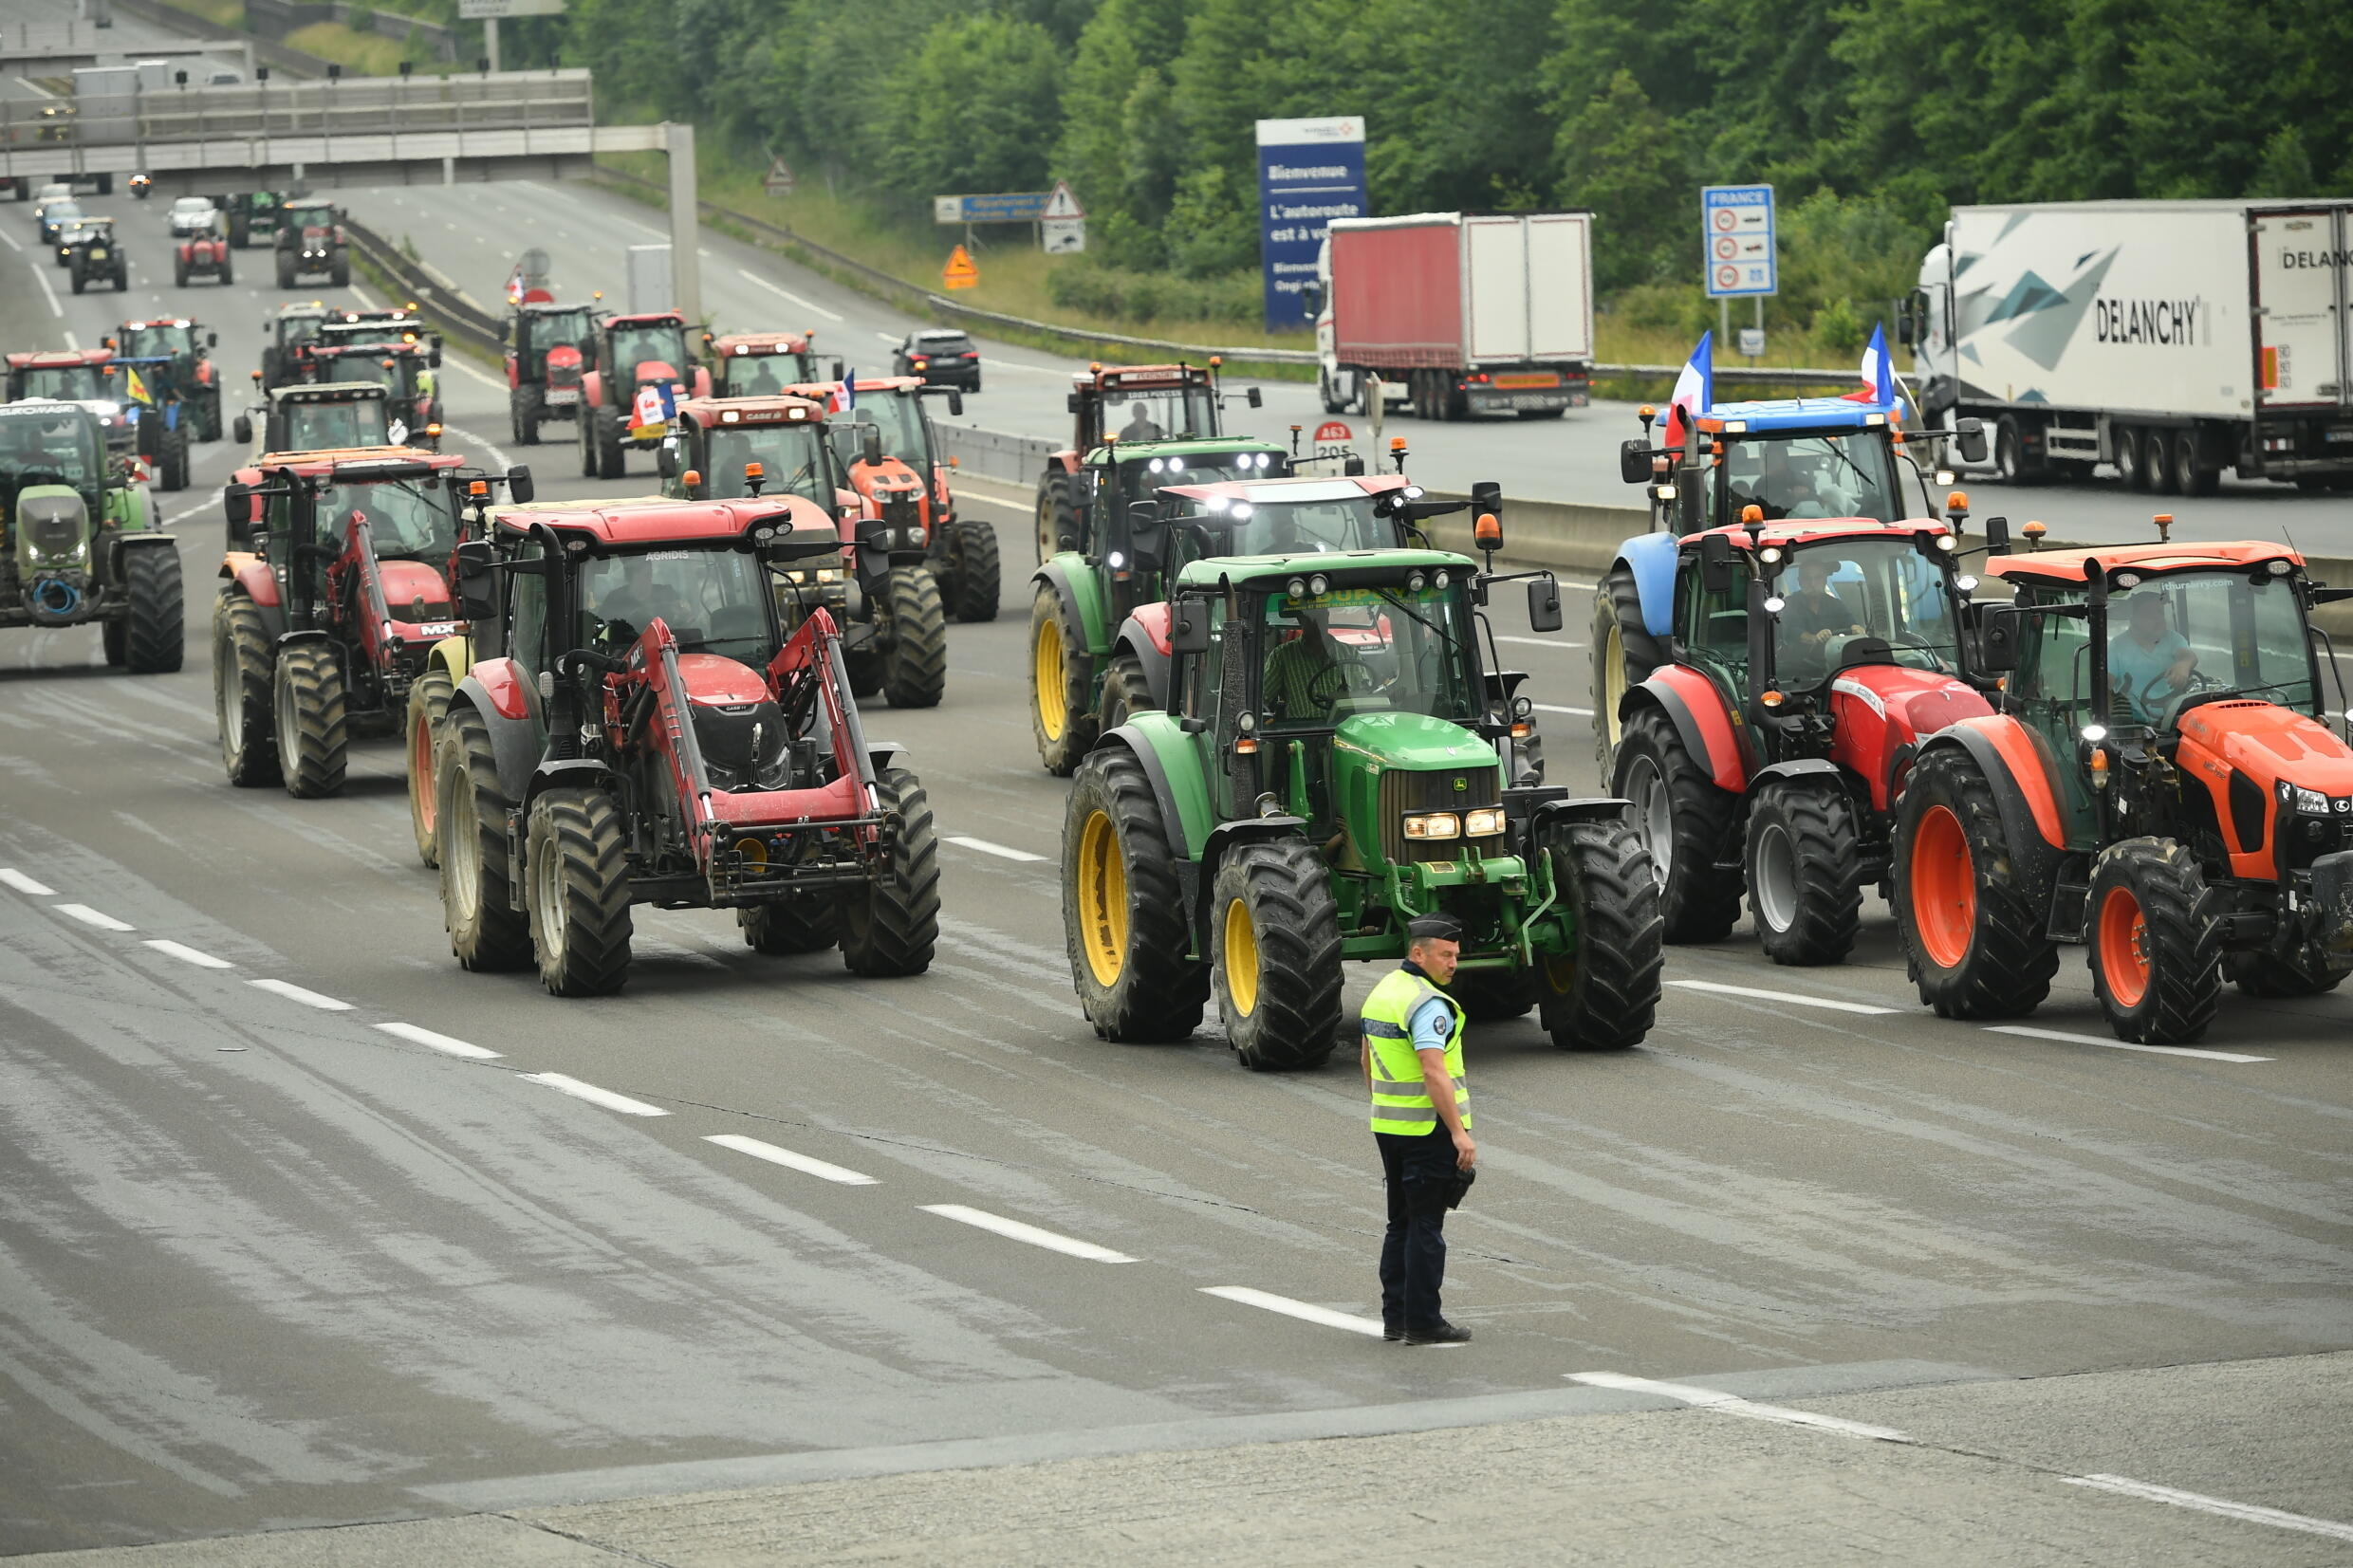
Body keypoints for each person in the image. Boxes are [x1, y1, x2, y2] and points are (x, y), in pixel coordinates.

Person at [1363, 914, 1475, 1346]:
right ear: (1418, 953)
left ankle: (1396, 1319)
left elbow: (1367, 1060)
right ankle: (1424, 1322)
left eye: (1455, 956)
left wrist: (1385, 1105)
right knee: (1426, 1226)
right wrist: (1459, 1133)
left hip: (1387, 1124)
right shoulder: (1427, 1004)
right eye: (1445, 955)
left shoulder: (1383, 992)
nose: (1453, 964)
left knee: (1400, 1223)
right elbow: (1434, 1070)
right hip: (1427, 1129)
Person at [1262, 604, 1368, 722]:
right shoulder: (1282, 656)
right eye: (1311, 619)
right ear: (1300, 620)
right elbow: (1262, 696)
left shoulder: (1349, 653)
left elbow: (1366, 692)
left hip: (1345, 727)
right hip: (1302, 732)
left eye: (1320, 617)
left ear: (1327, 616)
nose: (1317, 624)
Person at [2108, 594, 2195, 723]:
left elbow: (2188, 656)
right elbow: (2106, 683)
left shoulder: (2173, 638)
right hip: (2134, 721)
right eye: (2149, 613)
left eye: (2160, 612)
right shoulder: (2118, 645)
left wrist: (2183, 665)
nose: (2158, 618)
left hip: (2173, 718)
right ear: (2133, 618)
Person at [1781, 556, 1864, 646]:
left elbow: (1850, 622)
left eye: (1818, 578)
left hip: (1836, 657)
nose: (1812, 584)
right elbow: (1792, 631)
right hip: (1798, 658)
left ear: (1825, 580)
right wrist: (1815, 638)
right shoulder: (1790, 604)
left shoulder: (1836, 604)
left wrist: (1856, 629)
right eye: (1807, 578)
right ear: (1799, 581)